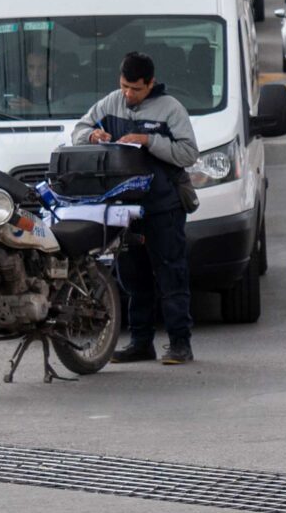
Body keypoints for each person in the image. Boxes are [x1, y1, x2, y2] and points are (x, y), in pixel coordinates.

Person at [84, 52, 200, 365]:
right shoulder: (110, 103)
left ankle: (180, 344)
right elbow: (79, 129)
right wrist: (92, 134)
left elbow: (188, 153)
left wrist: (147, 140)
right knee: (133, 278)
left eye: (135, 88)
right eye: (124, 86)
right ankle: (140, 342)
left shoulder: (171, 109)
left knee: (171, 274)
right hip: (124, 208)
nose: (128, 94)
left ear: (150, 83)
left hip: (163, 206)